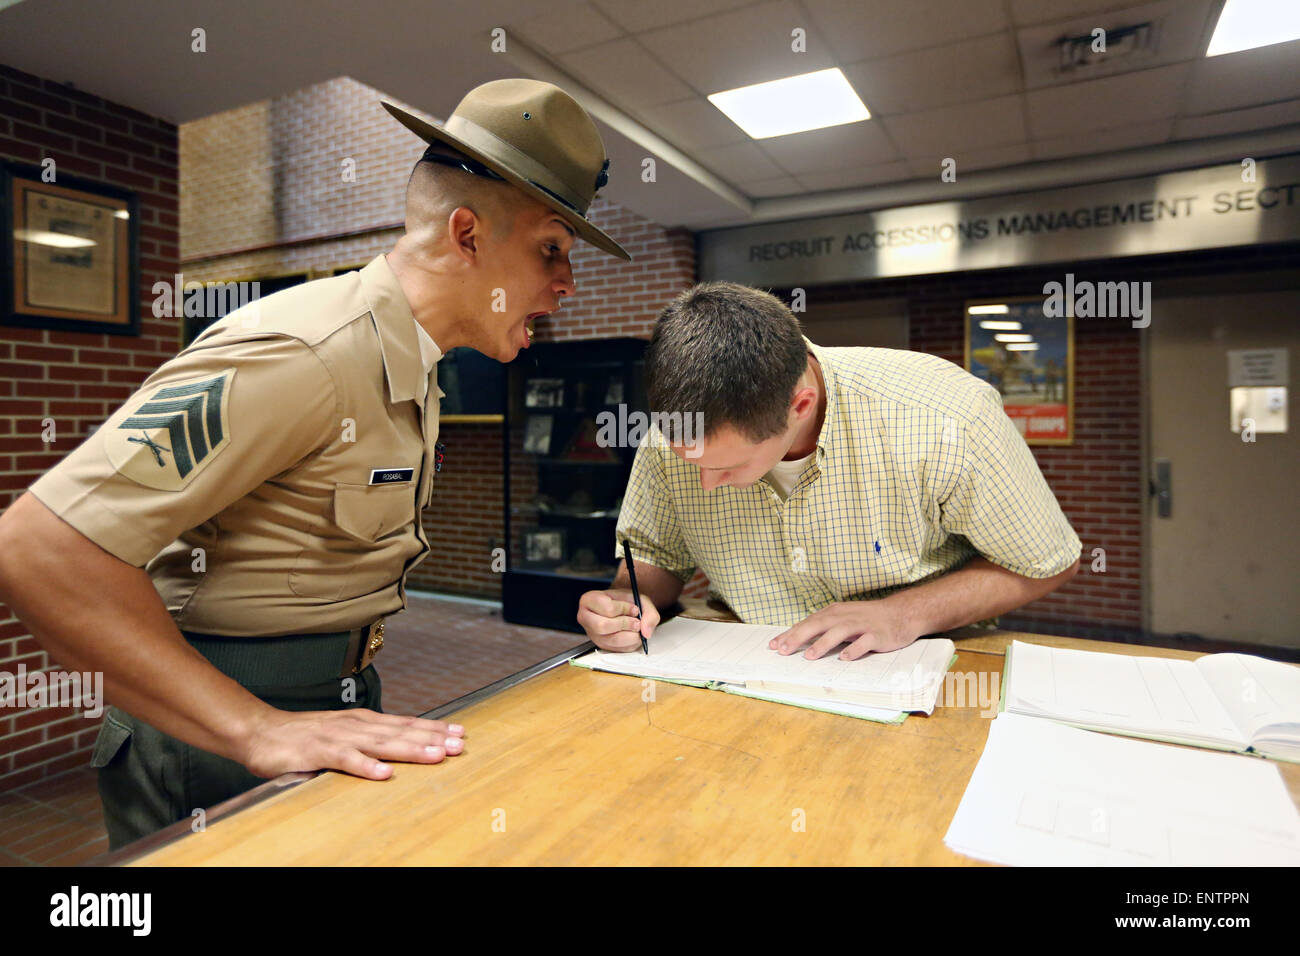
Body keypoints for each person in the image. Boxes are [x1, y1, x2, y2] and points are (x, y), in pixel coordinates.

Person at [0, 78, 630, 849]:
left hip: (331, 702)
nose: (566, 285)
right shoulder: (304, 352)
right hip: (218, 735)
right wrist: (255, 727)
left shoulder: (413, 363)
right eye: (551, 249)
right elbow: (38, 549)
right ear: (466, 235)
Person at [577, 282, 1080, 661]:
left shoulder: (947, 418)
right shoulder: (673, 436)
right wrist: (624, 603)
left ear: (800, 406)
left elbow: (1045, 562)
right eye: (691, 462)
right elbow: (655, 556)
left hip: (918, 662)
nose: (705, 483)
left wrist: (905, 613)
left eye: (727, 466)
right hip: (746, 662)